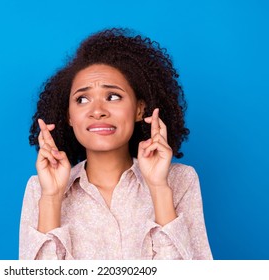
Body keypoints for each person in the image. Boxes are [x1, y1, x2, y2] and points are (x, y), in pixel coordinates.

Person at [19, 28, 212, 260]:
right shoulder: (39, 189)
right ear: (69, 116)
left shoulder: (180, 181)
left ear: (140, 109)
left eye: (112, 96)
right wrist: (51, 198)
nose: (98, 111)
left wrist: (159, 189)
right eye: (82, 99)